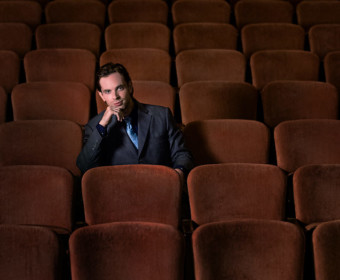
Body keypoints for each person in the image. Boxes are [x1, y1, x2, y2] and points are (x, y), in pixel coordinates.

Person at [76, 63, 194, 182]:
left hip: (161, 186)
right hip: (119, 192)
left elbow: (182, 154)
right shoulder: (95, 126)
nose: (115, 96)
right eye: (108, 91)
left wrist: (178, 174)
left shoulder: (162, 115)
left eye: (120, 88)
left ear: (130, 86)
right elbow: (84, 166)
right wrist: (102, 126)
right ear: (101, 96)